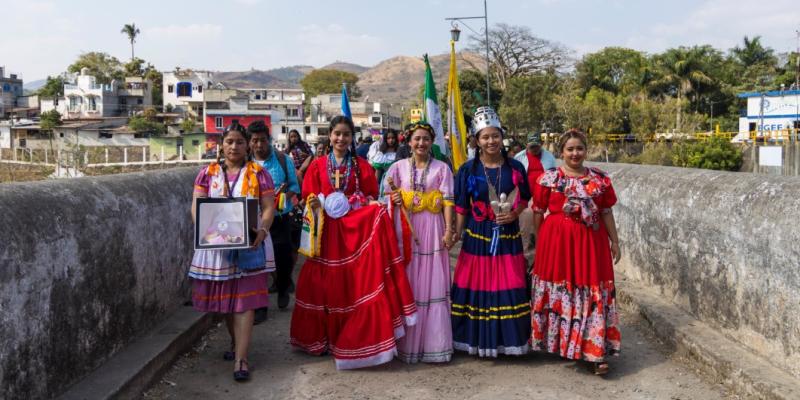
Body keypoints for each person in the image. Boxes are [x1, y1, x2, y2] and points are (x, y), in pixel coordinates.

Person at [290, 116, 418, 370]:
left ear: (352, 138)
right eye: (337, 134)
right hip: (325, 234)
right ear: (330, 135)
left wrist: (364, 202)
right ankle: (323, 338)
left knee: (351, 284)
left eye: (346, 135)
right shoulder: (316, 166)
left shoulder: (361, 165)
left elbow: (372, 197)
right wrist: (314, 202)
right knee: (325, 284)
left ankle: (346, 338)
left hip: (352, 235)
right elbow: (307, 197)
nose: (341, 139)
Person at [530, 129, 622, 375]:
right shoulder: (548, 179)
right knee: (564, 290)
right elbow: (538, 212)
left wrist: (615, 241)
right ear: (562, 152)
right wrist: (540, 243)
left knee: (590, 290)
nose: (575, 153)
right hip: (556, 242)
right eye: (570, 149)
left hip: (591, 242)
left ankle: (595, 351)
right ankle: (565, 344)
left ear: (585, 150)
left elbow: (606, 212)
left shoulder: (600, 180)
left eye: (579, 148)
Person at [190, 122, 276, 381]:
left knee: (245, 302)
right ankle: (235, 343)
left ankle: (241, 358)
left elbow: (268, 205)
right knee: (227, 303)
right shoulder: (207, 173)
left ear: (247, 144)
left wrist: (262, 230)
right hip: (217, 246)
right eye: (229, 142)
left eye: (239, 142)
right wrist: (205, 230)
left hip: (249, 243)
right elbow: (196, 206)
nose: (234, 147)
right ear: (221, 145)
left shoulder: (258, 174)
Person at [451, 107, 531, 357]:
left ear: (502, 137)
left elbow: (525, 198)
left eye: (495, 135)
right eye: (485, 137)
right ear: (477, 140)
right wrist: (456, 233)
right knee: (478, 286)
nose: (491, 141)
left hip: (507, 237)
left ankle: (509, 343)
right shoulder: (467, 170)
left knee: (508, 284)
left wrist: (514, 214)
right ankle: (474, 341)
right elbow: (462, 206)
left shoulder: (516, 167)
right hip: (477, 237)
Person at [384, 121, 455, 363]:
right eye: (417, 139)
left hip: (433, 230)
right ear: (409, 141)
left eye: (426, 138)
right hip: (406, 230)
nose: (421, 143)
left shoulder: (442, 169)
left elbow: (448, 201)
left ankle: (435, 345)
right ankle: (406, 344)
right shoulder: (397, 168)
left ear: (432, 141)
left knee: (433, 281)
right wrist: (393, 199)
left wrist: (449, 230)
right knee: (410, 277)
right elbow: (384, 199)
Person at [248, 121, 301, 311]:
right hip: (255, 220)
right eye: (255, 141)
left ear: (269, 139)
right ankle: (260, 306)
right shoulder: (246, 163)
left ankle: (283, 287)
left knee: (282, 257)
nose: (259, 145)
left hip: (280, 217)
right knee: (257, 260)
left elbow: (295, 186)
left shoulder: (282, 159)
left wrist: (283, 198)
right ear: (249, 142)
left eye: (263, 140)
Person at [514, 132, 557, 257]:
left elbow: (554, 176)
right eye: (532, 147)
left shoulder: (549, 157)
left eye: (537, 146)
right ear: (527, 145)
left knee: (544, 225)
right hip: (525, 197)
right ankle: (524, 253)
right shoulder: (519, 157)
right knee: (525, 225)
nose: (534, 149)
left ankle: (543, 251)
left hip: (544, 197)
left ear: (541, 145)